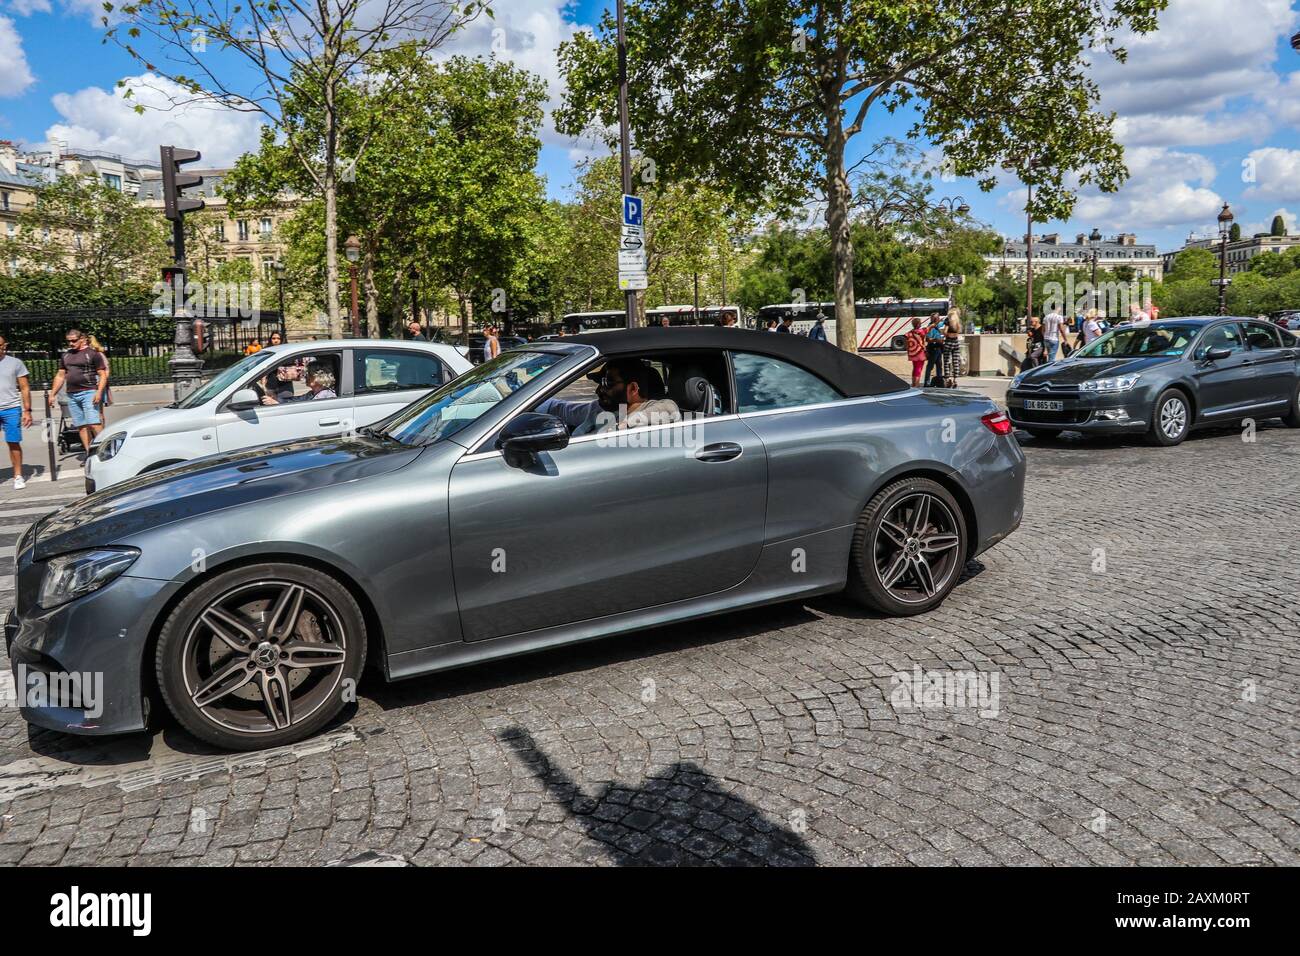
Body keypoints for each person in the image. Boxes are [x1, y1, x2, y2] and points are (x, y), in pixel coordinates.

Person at [537, 358, 680, 435]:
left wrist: (624, 424)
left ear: (633, 388)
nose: (599, 390)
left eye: (608, 383)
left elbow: (668, 409)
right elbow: (559, 408)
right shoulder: (601, 410)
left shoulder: (655, 408)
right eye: (600, 382)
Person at [47, 328, 107, 455]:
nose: (71, 343)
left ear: (82, 339)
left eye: (74, 341)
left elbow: (102, 374)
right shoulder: (66, 355)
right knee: (81, 425)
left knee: (94, 423)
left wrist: (99, 392)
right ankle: (89, 453)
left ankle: (105, 451)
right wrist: (52, 394)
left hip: (89, 392)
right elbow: (60, 375)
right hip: (72, 394)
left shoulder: (92, 354)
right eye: (69, 341)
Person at [0, 336, 33, 489]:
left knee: (13, 442)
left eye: (1, 345)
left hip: (11, 408)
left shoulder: (15, 363)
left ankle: (18, 475)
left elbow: (25, 387)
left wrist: (27, 410)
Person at [261, 366, 337, 404]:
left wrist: (276, 403)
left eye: (309, 375)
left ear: (319, 378)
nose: (306, 376)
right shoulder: (311, 393)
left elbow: (303, 410)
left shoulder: (325, 395)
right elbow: (295, 401)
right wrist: (277, 399)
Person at [941, 309, 964, 387]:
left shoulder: (947, 320)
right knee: (955, 362)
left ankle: (947, 379)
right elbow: (959, 331)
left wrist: (946, 334)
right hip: (956, 343)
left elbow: (945, 331)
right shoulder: (957, 321)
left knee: (946, 361)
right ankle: (955, 380)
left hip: (948, 342)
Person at [904, 316, 927, 388]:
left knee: (915, 368)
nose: (921, 324)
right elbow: (930, 327)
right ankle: (916, 385)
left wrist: (909, 352)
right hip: (920, 353)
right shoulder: (921, 332)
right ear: (918, 324)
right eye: (920, 323)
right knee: (919, 369)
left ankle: (914, 383)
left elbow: (907, 344)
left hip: (913, 353)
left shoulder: (909, 333)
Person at [924, 313, 944, 387]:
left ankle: (939, 381)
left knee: (939, 366)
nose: (937, 320)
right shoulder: (930, 327)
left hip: (939, 348)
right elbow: (927, 339)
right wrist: (935, 340)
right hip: (933, 348)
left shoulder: (940, 325)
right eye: (935, 319)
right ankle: (927, 382)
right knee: (930, 366)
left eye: (938, 318)